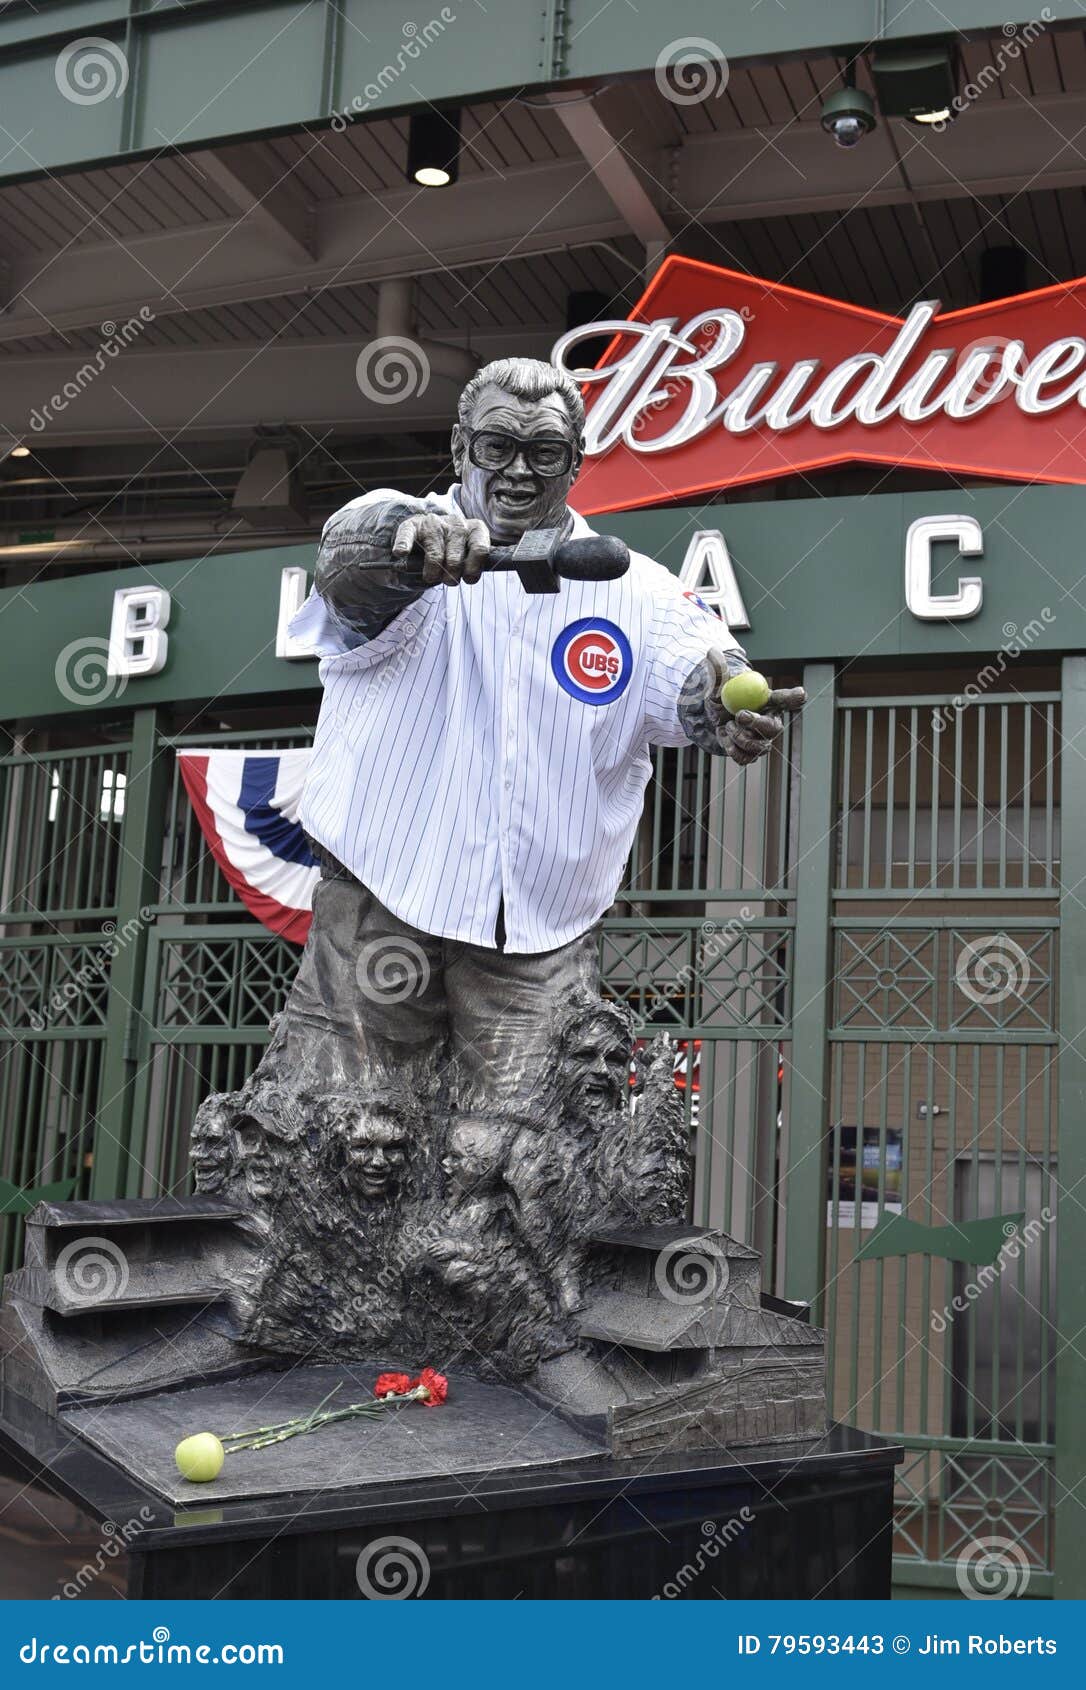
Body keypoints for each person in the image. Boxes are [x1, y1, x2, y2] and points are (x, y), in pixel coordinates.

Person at [278, 356, 804, 1103]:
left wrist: (717, 707)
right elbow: (345, 558)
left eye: (544, 453)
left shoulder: (638, 588)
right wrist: (411, 541)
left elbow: (699, 670)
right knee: (341, 1128)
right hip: (379, 902)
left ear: (577, 464)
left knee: (526, 1161)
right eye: (495, 446)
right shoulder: (409, 542)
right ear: (461, 449)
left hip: (540, 934)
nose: (517, 471)